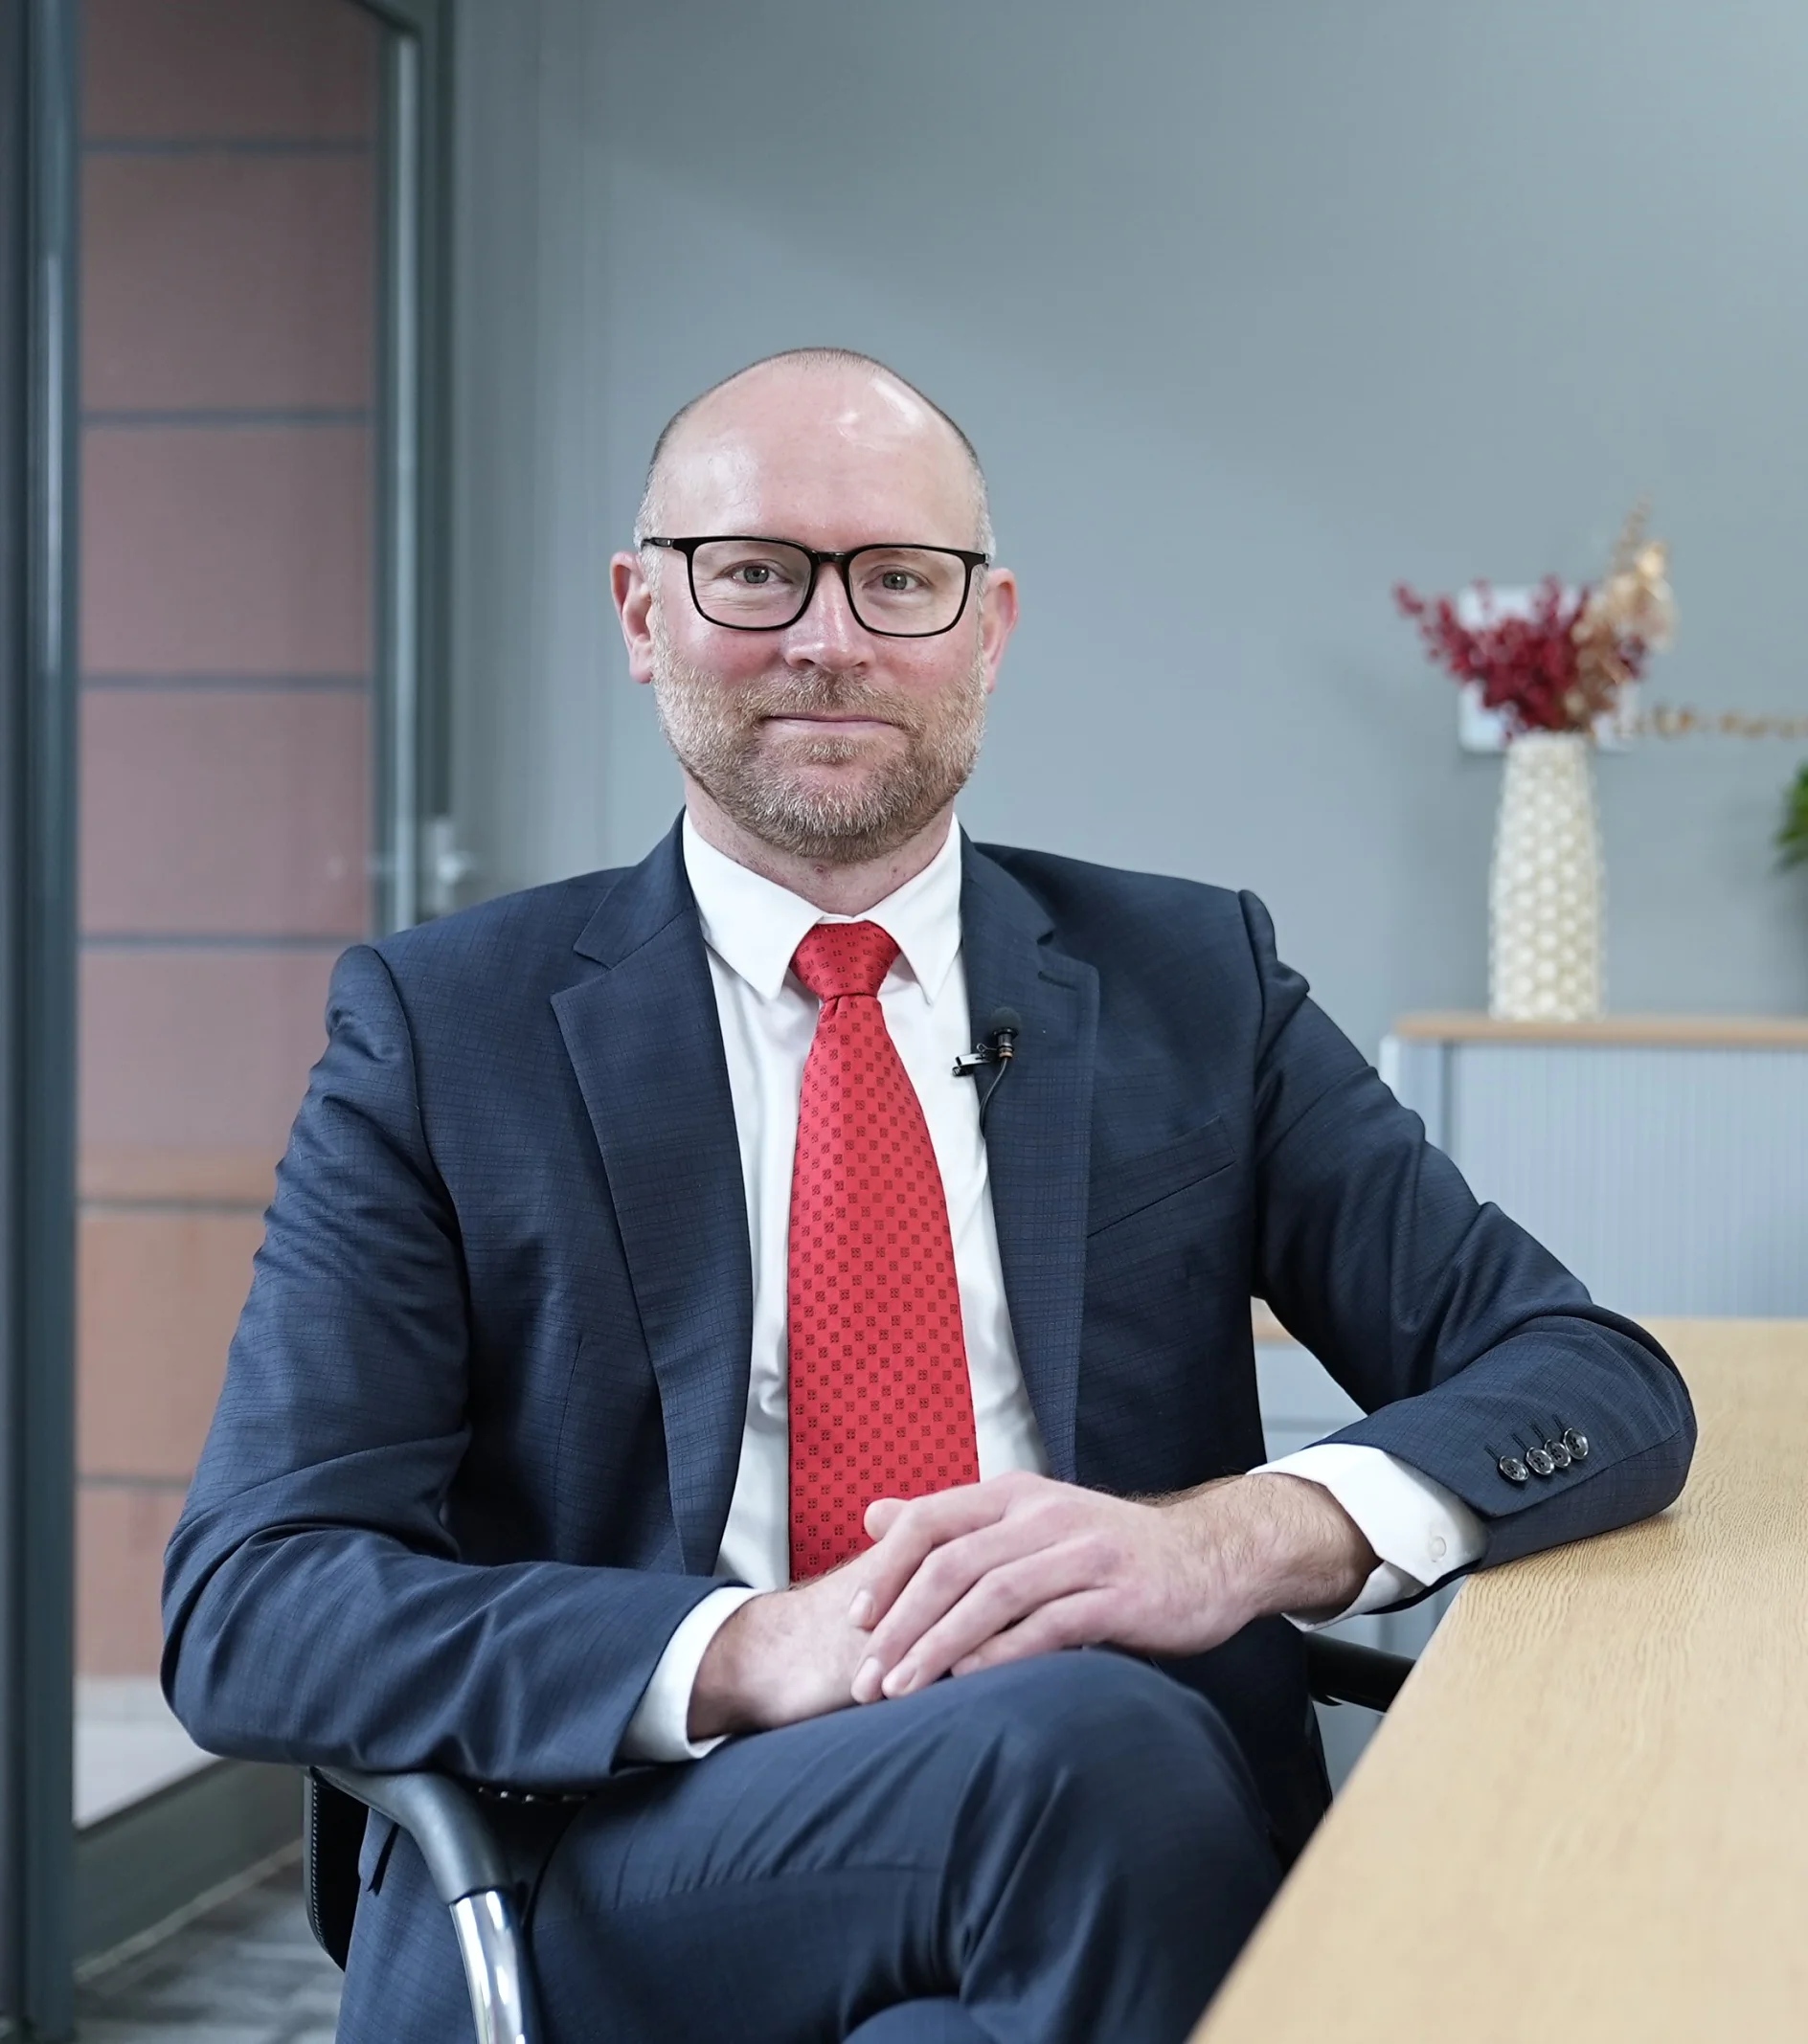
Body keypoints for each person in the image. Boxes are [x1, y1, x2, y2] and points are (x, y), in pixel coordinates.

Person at [163, 348, 1695, 2044]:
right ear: (640, 610)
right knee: (1090, 1743)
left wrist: (1232, 1540)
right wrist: (750, 1647)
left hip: (1110, 1873)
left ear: (989, 626)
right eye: (755, 571)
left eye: (901, 578)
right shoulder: (446, 1028)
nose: (831, 637)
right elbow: (255, 1599)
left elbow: (1591, 1375)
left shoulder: (1197, 982)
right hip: (612, 1869)